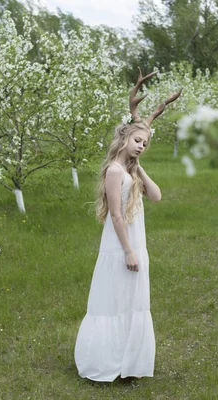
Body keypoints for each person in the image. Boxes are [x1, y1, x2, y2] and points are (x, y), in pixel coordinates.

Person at [74, 69, 182, 382]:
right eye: (137, 141)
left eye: (145, 144)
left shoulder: (132, 171)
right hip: (121, 243)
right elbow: (117, 216)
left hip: (136, 242)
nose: (140, 146)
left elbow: (157, 197)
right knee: (114, 300)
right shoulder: (114, 172)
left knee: (133, 301)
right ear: (124, 138)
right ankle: (107, 362)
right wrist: (128, 251)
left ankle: (128, 365)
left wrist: (141, 166)